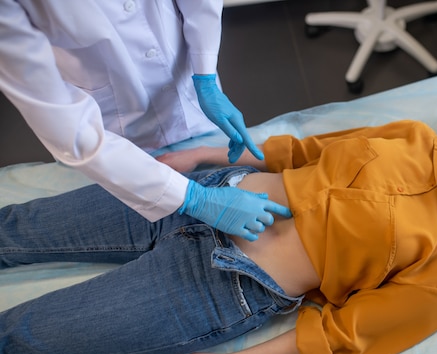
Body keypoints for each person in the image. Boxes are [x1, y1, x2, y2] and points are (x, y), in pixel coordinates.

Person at [0, 112, 437, 354]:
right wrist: (197, 159)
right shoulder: (414, 137)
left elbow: (347, 334)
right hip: (203, 196)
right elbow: (305, 150)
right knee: (16, 227)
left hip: (216, 286)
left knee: (25, 333)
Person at [0, 0, 281, 241]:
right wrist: (193, 197)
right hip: (109, 117)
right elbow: (65, 124)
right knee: (21, 231)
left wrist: (204, 73)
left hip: (183, 78)